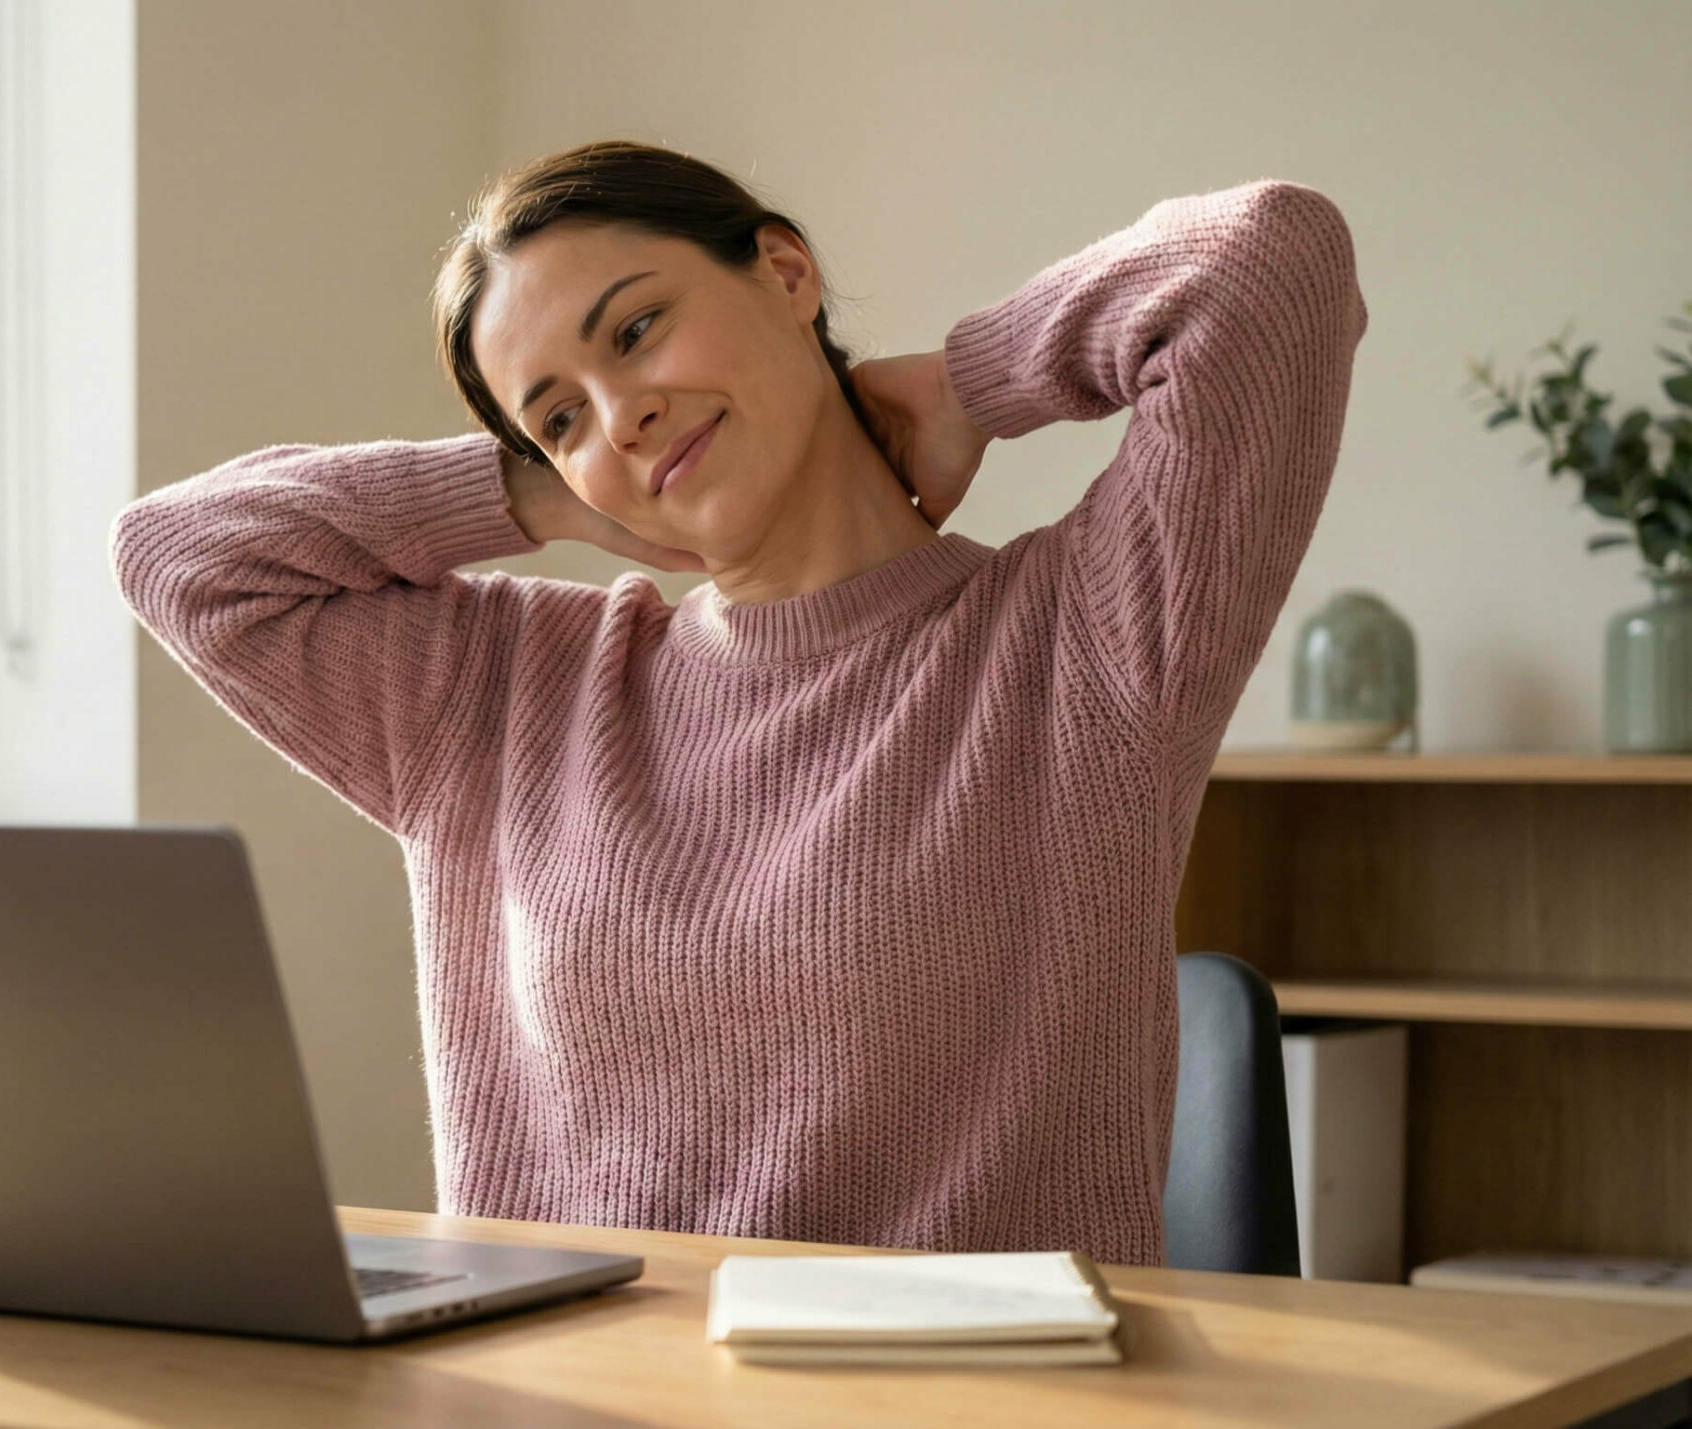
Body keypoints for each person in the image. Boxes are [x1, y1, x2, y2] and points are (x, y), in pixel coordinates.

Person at [110, 141, 1367, 1265]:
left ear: (781, 273)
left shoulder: (1084, 643)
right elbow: (182, 557)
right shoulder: (497, 695)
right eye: (558, 414)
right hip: (562, 1403)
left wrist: (975, 381)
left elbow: (1269, 263)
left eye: (635, 331)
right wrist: (537, 493)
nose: (621, 412)